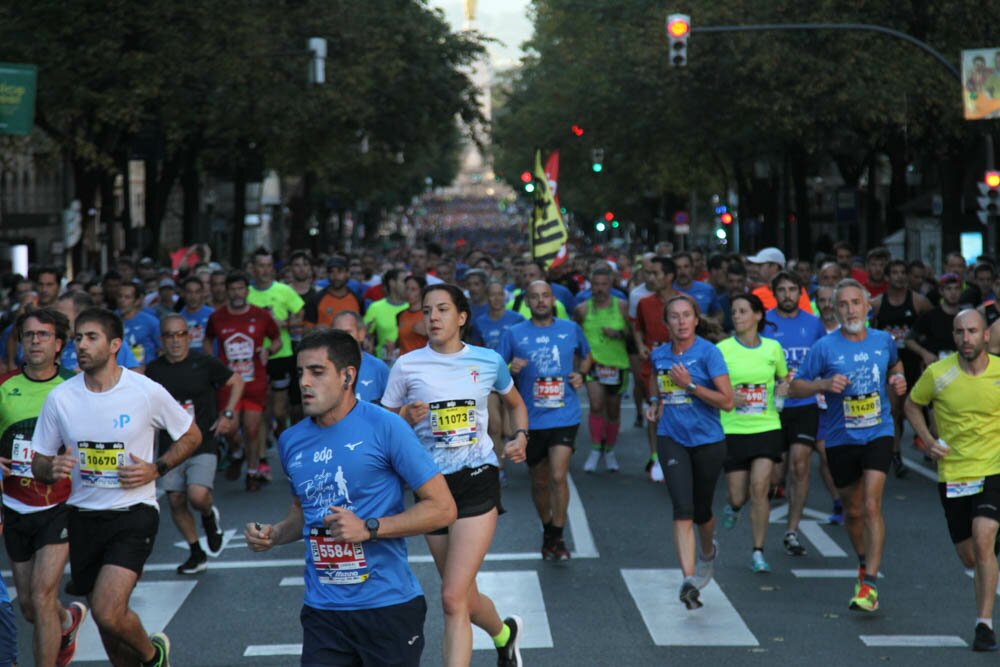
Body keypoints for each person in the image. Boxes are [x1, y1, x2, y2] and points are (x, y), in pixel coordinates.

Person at [245, 328, 457, 667]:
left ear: (347, 376)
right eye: (300, 372)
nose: (304, 383)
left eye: (317, 371)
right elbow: (304, 511)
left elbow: (443, 508)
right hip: (323, 611)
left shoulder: (386, 427)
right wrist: (274, 534)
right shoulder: (290, 441)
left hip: (386, 607)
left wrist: (369, 528)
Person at [31, 307, 202, 667]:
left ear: (115, 345)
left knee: (109, 611)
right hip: (82, 516)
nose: (81, 345)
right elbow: (39, 462)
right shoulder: (61, 398)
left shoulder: (144, 391)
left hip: (133, 513)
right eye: (78, 338)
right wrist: (52, 467)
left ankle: (154, 655)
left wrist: (157, 468)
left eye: (91, 338)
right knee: (109, 632)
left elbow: (191, 434)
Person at [382, 284, 529, 666]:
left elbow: (515, 403)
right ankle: (504, 634)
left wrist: (520, 437)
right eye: (427, 311)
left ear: (461, 317)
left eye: (442, 310)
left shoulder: (487, 360)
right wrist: (404, 419)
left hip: (477, 476)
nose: (432, 318)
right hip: (431, 487)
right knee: (462, 593)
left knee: (451, 598)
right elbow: (381, 427)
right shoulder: (407, 365)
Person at [790, 279, 907, 613]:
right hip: (841, 438)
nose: (850, 309)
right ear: (834, 310)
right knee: (853, 511)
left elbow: (895, 364)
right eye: (843, 304)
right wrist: (824, 384)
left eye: (856, 302)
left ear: (867, 306)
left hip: (878, 432)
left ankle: (869, 581)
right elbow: (795, 387)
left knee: (871, 505)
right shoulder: (825, 348)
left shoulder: (883, 340)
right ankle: (861, 561)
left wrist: (897, 378)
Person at [904, 309, 1000, 652]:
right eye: (960, 332)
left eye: (973, 331)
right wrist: (928, 440)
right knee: (970, 555)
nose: (966, 338)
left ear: (986, 335)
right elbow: (912, 405)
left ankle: (984, 625)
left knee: (983, 536)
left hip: (993, 468)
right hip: (955, 473)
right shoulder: (938, 374)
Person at [0, 309, 86, 667]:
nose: (35, 341)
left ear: (59, 345)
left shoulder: (76, 386)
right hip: (15, 503)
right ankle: (67, 622)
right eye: (29, 335)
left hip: (61, 504)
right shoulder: (4, 386)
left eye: (44, 335)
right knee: (31, 608)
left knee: (41, 593)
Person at [644, 295, 734, 609]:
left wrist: (690, 386)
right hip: (672, 439)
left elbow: (727, 401)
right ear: (666, 323)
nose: (681, 322)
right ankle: (689, 579)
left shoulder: (709, 354)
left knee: (701, 511)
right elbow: (655, 385)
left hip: (708, 441)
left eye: (686, 316)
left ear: (696, 320)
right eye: (674, 317)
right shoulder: (659, 355)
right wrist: (654, 404)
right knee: (682, 509)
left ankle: (708, 550)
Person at [499, 279, 590, 560]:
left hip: (564, 414)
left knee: (558, 475)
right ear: (527, 302)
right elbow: (498, 371)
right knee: (539, 481)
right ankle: (548, 527)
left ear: (553, 300)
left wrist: (580, 374)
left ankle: (557, 534)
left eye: (545, 296)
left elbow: (586, 357)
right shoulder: (514, 333)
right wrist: (510, 369)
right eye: (535, 297)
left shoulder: (570, 329)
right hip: (530, 419)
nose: (540, 301)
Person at [146, 314, 243, 574]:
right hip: (171, 446)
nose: (176, 341)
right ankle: (196, 552)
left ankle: (209, 517)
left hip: (202, 440)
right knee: (176, 500)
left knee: (197, 495)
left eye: (180, 335)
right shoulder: (154, 370)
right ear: (161, 340)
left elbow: (236, 381)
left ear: (189, 337)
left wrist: (228, 414)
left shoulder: (205, 363)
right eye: (169, 335)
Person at [763, 271, 838, 556]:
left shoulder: (813, 324)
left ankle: (792, 530)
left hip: (805, 404)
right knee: (774, 473)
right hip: (773, 406)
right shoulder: (766, 323)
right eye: (781, 290)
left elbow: (824, 360)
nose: (787, 295)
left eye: (792, 289)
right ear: (775, 293)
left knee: (800, 465)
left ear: (801, 292)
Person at [718, 295, 788, 573]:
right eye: (734, 311)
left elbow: (784, 379)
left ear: (758, 315)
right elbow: (712, 384)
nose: (737, 316)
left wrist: (784, 388)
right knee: (738, 496)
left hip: (766, 426)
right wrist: (729, 396)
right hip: (733, 429)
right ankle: (733, 508)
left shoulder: (773, 348)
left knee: (760, 488)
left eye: (743, 311)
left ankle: (758, 551)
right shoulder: (722, 349)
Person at [204, 271, 282, 491]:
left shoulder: (261, 316)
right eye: (232, 289)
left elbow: (276, 339)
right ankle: (237, 451)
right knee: (229, 428)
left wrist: (269, 350)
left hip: (254, 380)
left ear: (247, 291)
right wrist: (212, 361)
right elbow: (208, 339)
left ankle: (252, 472)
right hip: (228, 383)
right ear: (226, 292)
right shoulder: (217, 317)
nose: (237, 293)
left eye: (240, 289)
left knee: (252, 428)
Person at [870, 258, 932, 477]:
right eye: (894, 272)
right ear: (887, 277)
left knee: (920, 406)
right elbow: (869, 333)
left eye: (902, 272)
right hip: (891, 365)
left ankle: (928, 444)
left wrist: (925, 351)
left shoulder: (918, 302)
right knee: (895, 410)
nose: (899, 276)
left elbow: (932, 327)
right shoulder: (877, 303)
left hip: (914, 361)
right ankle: (896, 453)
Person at [247, 248, 305, 453]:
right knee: (262, 407)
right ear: (253, 268)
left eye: (268, 266)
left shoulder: (284, 290)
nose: (265, 270)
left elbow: (300, 315)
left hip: (282, 354)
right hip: (254, 358)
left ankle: (281, 433)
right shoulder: (247, 293)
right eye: (260, 266)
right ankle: (262, 455)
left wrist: (284, 323)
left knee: (280, 411)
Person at [575, 267, 630, 473]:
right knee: (596, 405)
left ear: (611, 285)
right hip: (594, 365)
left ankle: (610, 450)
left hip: (617, 365)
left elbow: (631, 334)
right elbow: (576, 335)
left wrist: (618, 333)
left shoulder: (622, 306)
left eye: (603, 284)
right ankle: (596, 448)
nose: (599, 289)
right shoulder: (582, 309)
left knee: (613, 411)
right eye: (595, 284)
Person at [634, 256, 681, 482]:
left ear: (669, 276)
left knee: (676, 411)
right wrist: (642, 345)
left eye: (655, 274)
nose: (650, 278)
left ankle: (679, 454)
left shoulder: (685, 302)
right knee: (654, 411)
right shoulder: (644, 303)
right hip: (652, 367)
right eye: (649, 274)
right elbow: (638, 329)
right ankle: (656, 457)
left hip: (679, 367)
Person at [56, 292, 141, 373]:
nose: (57, 321)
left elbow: (135, 376)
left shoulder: (110, 343)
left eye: (62, 316)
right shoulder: (59, 344)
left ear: (81, 316)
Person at [331, 311, 389, 404]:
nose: (341, 338)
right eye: (337, 333)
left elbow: (391, 408)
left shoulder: (378, 368)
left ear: (361, 334)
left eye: (347, 332)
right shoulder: (325, 367)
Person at [303, 256, 362, 330]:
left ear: (347, 273)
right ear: (327, 274)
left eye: (340, 271)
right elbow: (306, 329)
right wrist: (315, 329)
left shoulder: (358, 299)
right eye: (331, 271)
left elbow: (362, 329)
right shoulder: (316, 300)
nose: (335, 275)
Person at [363, 269, 409, 361]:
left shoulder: (413, 307)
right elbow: (365, 334)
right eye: (404, 281)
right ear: (392, 283)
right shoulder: (375, 307)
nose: (407, 284)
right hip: (384, 364)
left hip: (410, 365)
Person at [117, 282, 160, 372]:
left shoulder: (151, 322)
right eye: (120, 296)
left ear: (137, 301)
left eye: (127, 297)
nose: (122, 300)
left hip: (147, 373)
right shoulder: (110, 321)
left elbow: (162, 349)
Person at [673, 252, 722, 320]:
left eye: (686, 267)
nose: (682, 271)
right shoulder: (668, 291)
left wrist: (710, 327)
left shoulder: (707, 289)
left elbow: (719, 313)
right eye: (678, 267)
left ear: (692, 269)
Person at [176, 276, 214, 352]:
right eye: (189, 292)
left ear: (203, 293)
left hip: (211, 362)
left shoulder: (213, 315)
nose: (193, 297)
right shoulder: (177, 320)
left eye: (197, 292)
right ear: (183, 293)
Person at [395, 275, 428, 356]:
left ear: (422, 291)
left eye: (413, 289)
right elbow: (401, 341)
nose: (409, 293)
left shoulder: (429, 314)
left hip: (422, 363)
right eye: (407, 288)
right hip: (404, 363)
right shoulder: (400, 315)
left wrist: (428, 334)